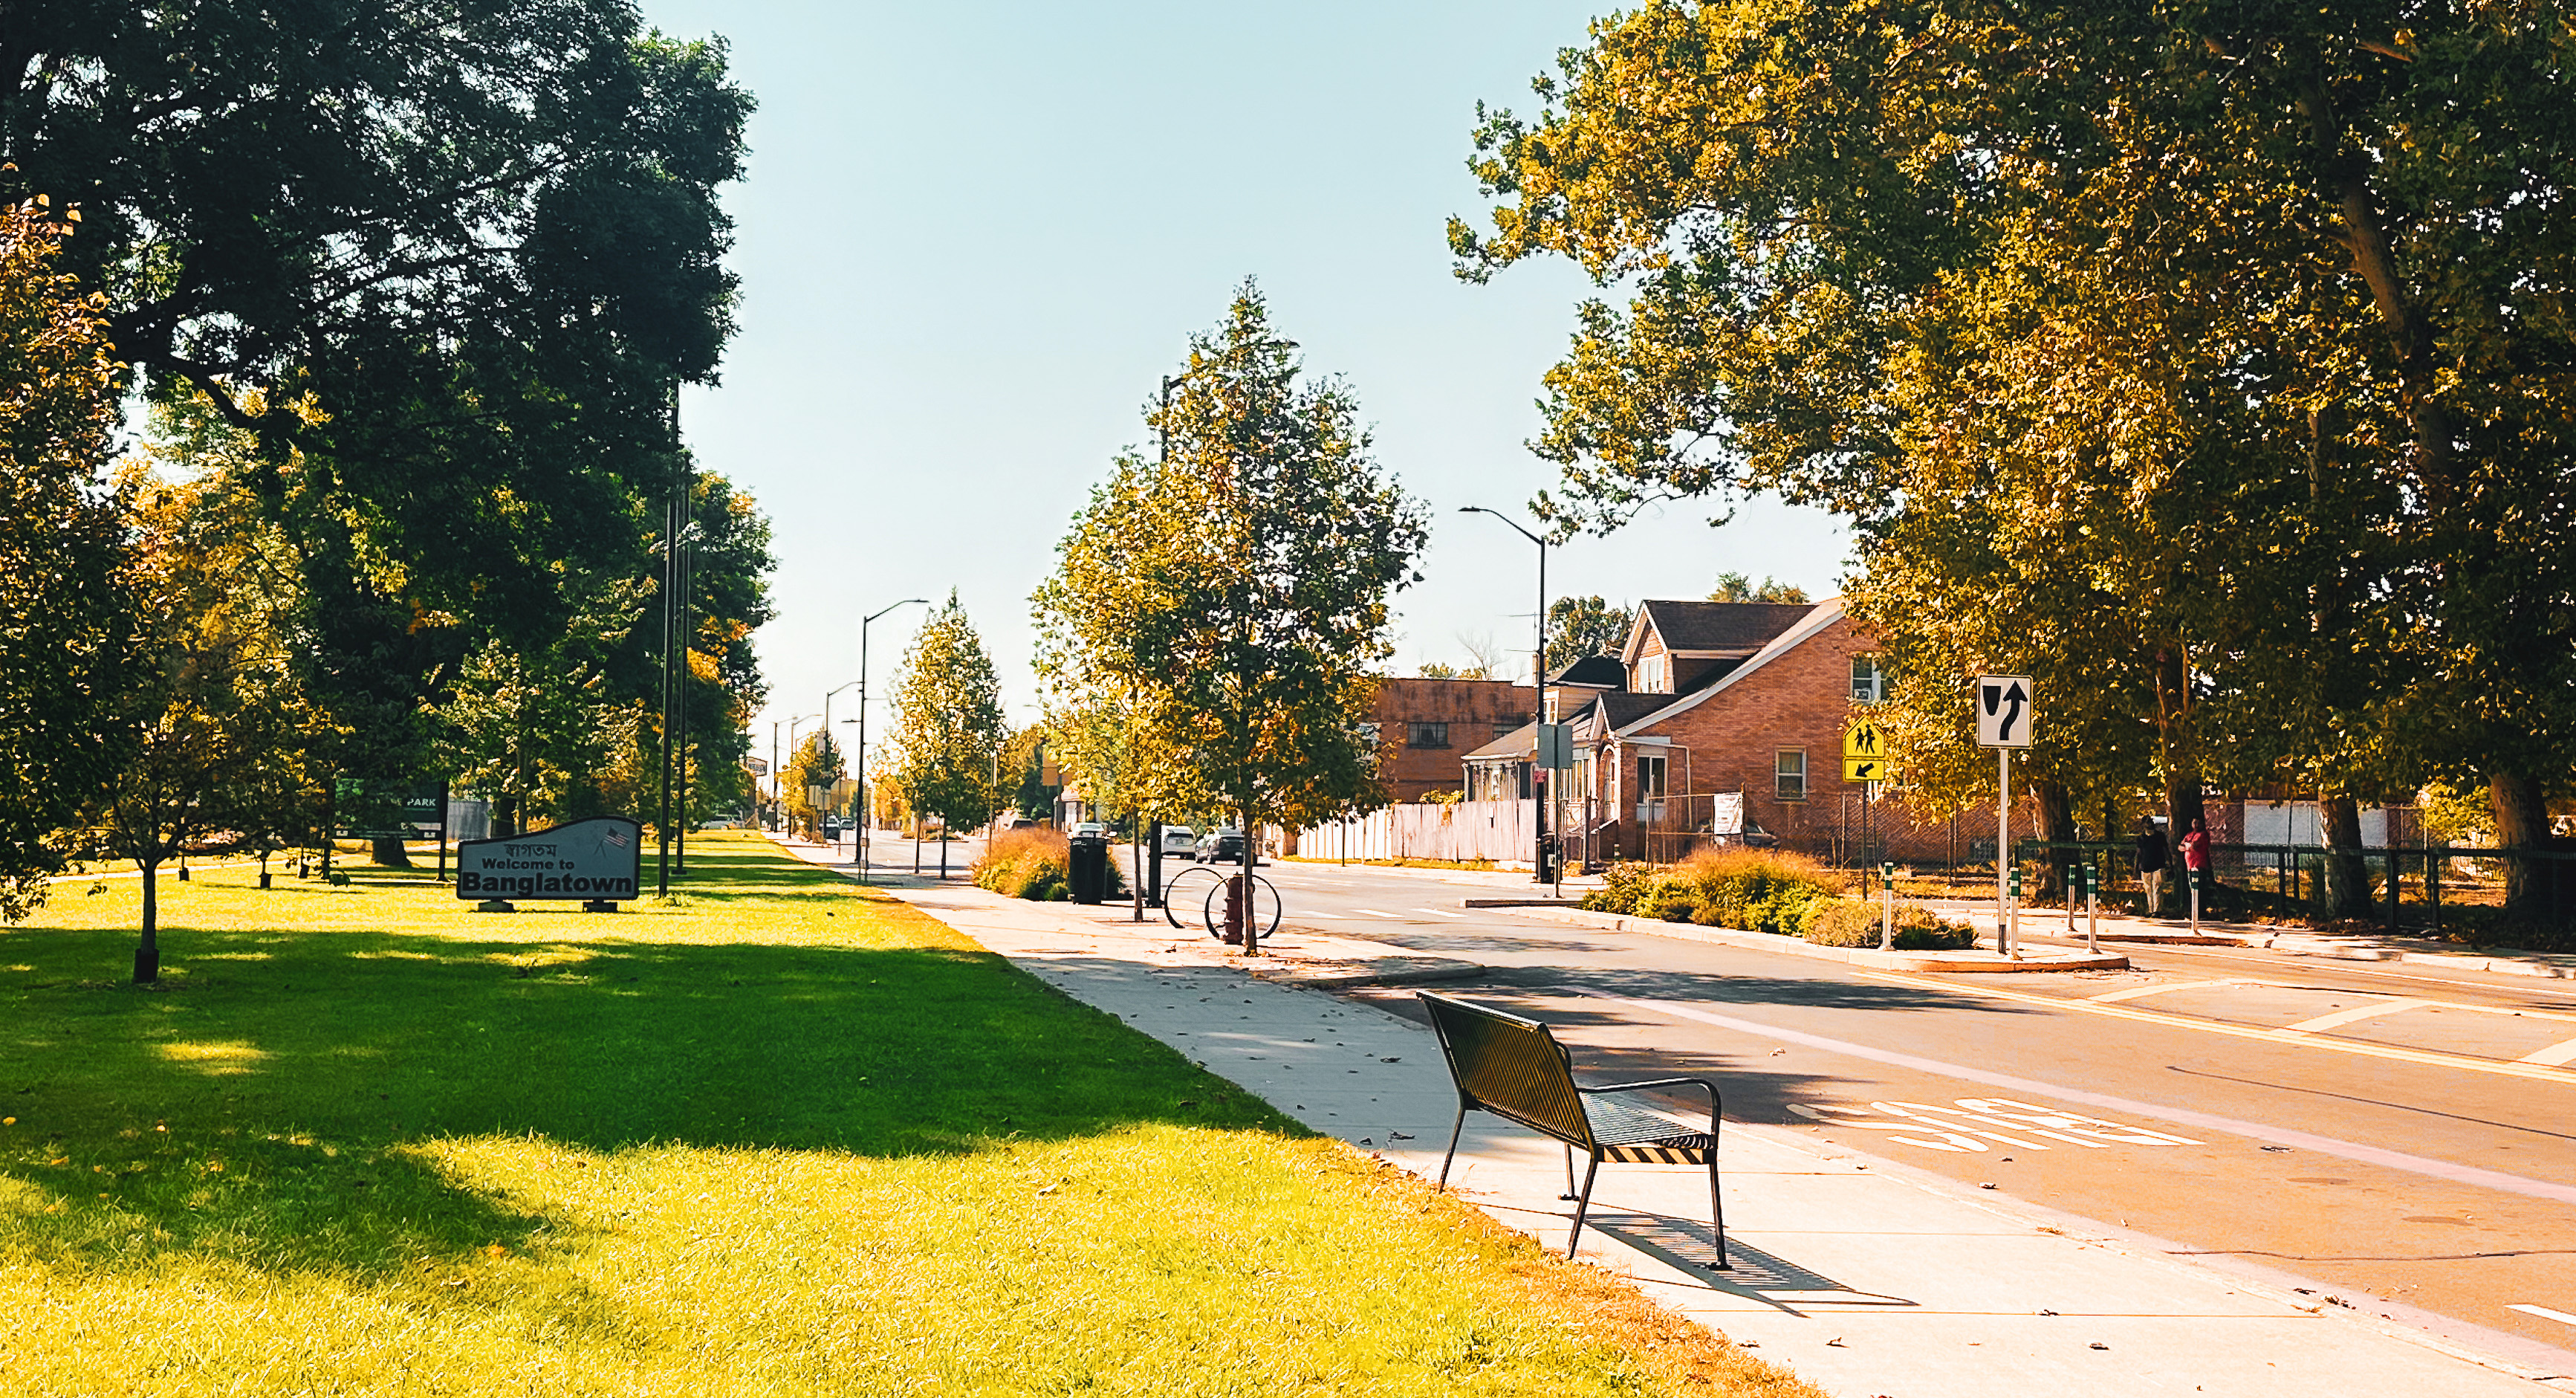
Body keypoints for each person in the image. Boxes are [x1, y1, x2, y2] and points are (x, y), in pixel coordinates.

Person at [2178, 816, 2212, 922]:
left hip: (2199, 866)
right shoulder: (2189, 835)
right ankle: (2192, 912)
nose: (2196, 825)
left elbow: (2195, 845)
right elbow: (2180, 847)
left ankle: (2201, 913)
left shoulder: (2203, 835)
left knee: (2199, 890)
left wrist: (2187, 845)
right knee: (2191, 890)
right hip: (2190, 866)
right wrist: (2187, 846)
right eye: (2194, 822)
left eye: (2198, 822)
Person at [2135, 818, 2168, 916]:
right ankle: (2151, 909)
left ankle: (2156, 910)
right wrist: (2136, 867)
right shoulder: (2141, 838)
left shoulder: (2160, 836)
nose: (2150, 824)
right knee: (2148, 889)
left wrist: (2169, 863)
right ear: (2143, 825)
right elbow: (2139, 853)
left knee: (2157, 888)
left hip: (2159, 864)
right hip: (2145, 865)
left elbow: (2165, 850)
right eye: (2147, 822)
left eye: (2151, 822)